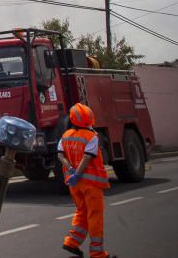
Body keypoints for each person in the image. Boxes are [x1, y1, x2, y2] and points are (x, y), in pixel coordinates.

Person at [57, 102, 113, 258]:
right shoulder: (91, 137)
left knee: (81, 212)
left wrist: (70, 170)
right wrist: (78, 173)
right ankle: (98, 253)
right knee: (95, 215)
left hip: (74, 185)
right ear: (90, 119)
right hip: (91, 184)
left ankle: (71, 242)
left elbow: (60, 155)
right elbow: (87, 157)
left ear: (73, 120)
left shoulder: (65, 136)